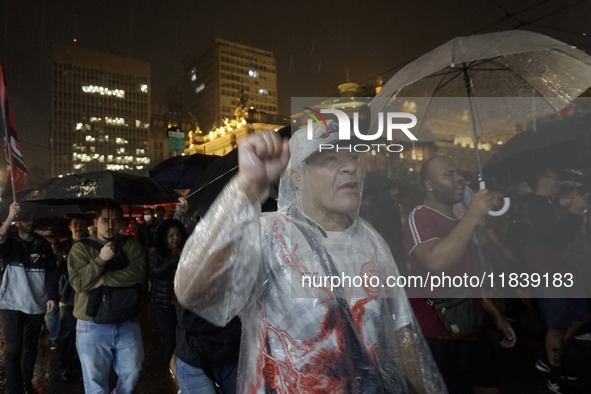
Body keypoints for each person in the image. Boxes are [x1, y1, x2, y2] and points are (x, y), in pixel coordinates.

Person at [175, 123, 445, 393]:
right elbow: (193, 290)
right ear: (296, 175)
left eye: (352, 156)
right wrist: (247, 185)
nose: (349, 166)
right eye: (329, 158)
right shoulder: (270, 234)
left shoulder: (372, 241)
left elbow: (402, 331)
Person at [403, 156, 516, 394]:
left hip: (473, 324)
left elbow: (470, 280)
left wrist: (496, 316)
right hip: (441, 330)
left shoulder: (459, 221)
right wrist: (473, 215)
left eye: (458, 173)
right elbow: (435, 261)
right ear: (429, 185)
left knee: (489, 387)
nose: (459, 180)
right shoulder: (420, 216)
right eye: (448, 174)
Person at [519, 167, 588, 393]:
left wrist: (569, 207)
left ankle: (549, 360)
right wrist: (575, 212)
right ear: (545, 178)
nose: (559, 180)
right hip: (548, 274)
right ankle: (555, 377)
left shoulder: (547, 202)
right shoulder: (533, 205)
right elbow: (558, 239)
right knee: (556, 327)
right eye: (556, 176)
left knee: (582, 316)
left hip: (562, 270)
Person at [68, 202, 147, 394]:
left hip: (126, 320)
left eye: (115, 220)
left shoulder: (131, 244)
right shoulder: (81, 249)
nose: (110, 225)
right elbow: (78, 283)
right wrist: (101, 259)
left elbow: (138, 273)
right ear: (95, 222)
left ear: (122, 223)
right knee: (95, 382)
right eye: (105, 220)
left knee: (133, 370)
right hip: (91, 324)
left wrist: (104, 279)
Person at [0, 203, 59, 394]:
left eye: (32, 218)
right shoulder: (10, 242)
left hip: (36, 304)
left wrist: (52, 296)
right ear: (18, 222)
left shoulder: (42, 244)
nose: (30, 221)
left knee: (30, 347)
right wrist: (9, 218)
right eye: (25, 218)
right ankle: (14, 389)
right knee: (14, 348)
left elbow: (51, 272)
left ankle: (27, 383)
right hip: (12, 302)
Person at [52, 214, 89, 382]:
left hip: (87, 297)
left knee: (85, 335)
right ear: (70, 226)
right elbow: (54, 272)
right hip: (67, 296)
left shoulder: (92, 244)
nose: (79, 227)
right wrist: (59, 263)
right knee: (68, 332)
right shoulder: (62, 246)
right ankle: (66, 367)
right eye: (76, 224)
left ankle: (81, 366)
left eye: (82, 224)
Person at [149, 219, 187, 364]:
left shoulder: (186, 251)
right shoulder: (156, 254)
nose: (175, 238)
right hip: (164, 304)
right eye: (171, 235)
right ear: (164, 238)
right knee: (169, 337)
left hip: (182, 303)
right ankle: (169, 366)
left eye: (177, 235)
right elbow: (157, 271)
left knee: (182, 336)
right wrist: (177, 260)